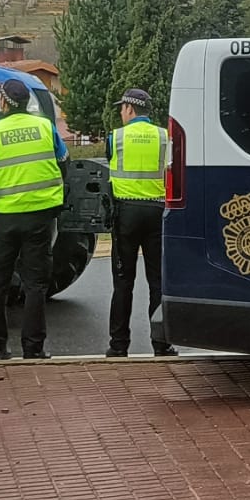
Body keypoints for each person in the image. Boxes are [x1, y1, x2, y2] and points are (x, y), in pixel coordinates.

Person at [0, 79, 67, 360]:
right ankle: (34, 349)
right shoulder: (46, 127)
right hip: (40, 217)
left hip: (6, 219)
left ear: (3, 103)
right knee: (36, 284)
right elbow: (64, 163)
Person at [106, 88, 176, 357]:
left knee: (123, 282)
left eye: (122, 109)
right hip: (157, 213)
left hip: (125, 214)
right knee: (158, 281)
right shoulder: (164, 136)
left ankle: (118, 345)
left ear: (129, 109)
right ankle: (162, 343)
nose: (121, 114)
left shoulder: (116, 137)